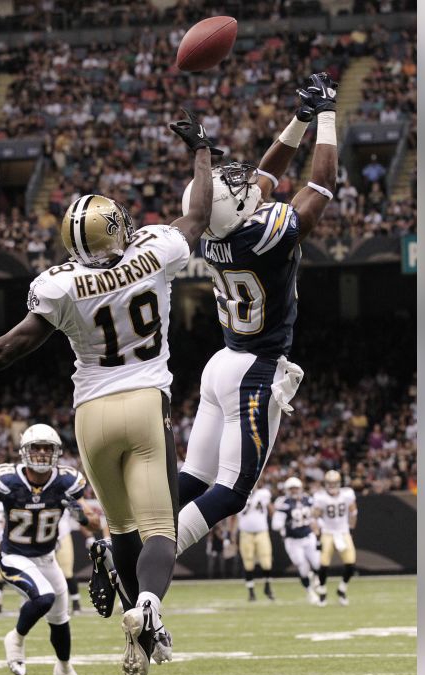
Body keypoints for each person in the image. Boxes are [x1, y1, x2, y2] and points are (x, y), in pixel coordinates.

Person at [0, 108, 218, 675]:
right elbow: (195, 214)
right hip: (146, 402)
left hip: (90, 414)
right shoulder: (157, 251)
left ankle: (130, 609)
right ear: (115, 232)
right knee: (160, 531)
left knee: (121, 531)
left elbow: (4, 351)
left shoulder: (60, 284)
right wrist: (200, 151)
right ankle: (149, 607)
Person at [173, 72, 340, 559]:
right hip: (256, 367)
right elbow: (321, 184)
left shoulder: (211, 229)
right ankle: (153, 552)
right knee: (231, 490)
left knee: (191, 478)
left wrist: (299, 119)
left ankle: (127, 539)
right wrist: (327, 115)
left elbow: (263, 179)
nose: (249, 182)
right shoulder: (263, 235)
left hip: (222, 360)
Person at [0, 425, 91, 675]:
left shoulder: (65, 482)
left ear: (57, 452)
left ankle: (65, 670)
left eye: (48, 448)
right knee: (44, 598)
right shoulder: (9, 480)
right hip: (14, 556)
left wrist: (76, 510)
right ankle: (16, 639)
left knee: (60, 618)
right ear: (25, 451)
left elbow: (89, 520)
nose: (42, 453)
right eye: (36, 447)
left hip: (47, 556)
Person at [272, 477, 322, 606]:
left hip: (308, 535)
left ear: (300, 488)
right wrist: (282, 521)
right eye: (291, 489)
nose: (294, 491)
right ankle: (309, 591)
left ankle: (316, 578)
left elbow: (316, 516)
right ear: (287, 490)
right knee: (302, 566)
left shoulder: (308, 500)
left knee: (317, 563)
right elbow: (276, 524)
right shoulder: (284, 503)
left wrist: (317, 525)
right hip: (293, 540)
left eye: (296, 488)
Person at [312, 469, 358, 606]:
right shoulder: (320, 497)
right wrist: (316, 534)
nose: (332, 486)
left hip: (343, 532)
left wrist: (351, 529)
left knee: (351, 563)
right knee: (324, 564)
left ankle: (342, 589)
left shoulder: (347, 494)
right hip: (327, 533)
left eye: (334, 483)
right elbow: (314, 517)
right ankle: (322, 592)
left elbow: (354, 512)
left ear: (339, 483)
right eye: (329, 483)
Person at [55, 498, 105, 614]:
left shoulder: (63, 491)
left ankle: (76, 603)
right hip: (41, 541)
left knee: (67, 572)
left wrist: (89, 537)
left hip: (62, 537)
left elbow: (81, 518)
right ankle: (29, 602)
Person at [231, 485, 275, 601]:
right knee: (248, 562)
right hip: (246, 533)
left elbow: (272, 510)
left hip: (262, 532)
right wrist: (232, 534)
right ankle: (251, 592)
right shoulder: (238, 495)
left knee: (266, 561)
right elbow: (234, 517)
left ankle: (268, 587)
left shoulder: (263, 494)